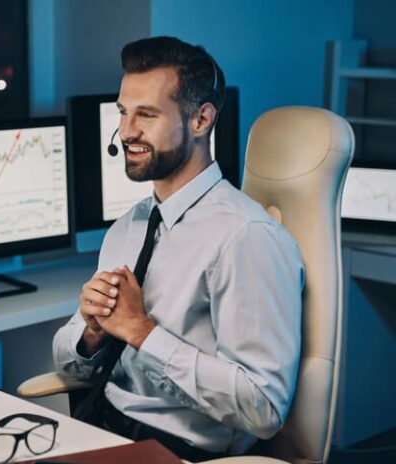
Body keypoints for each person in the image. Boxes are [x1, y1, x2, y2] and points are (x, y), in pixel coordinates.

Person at [53, 36, 304, 461]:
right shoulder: (129, 226)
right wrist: (92, 334)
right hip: (101, 426)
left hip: (179, 449)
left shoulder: (245, 237)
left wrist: (142, 332)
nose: (126, 131)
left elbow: (263, 408)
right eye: (123, 112)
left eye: (146, 115)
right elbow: (66, 360)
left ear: (201, 119)